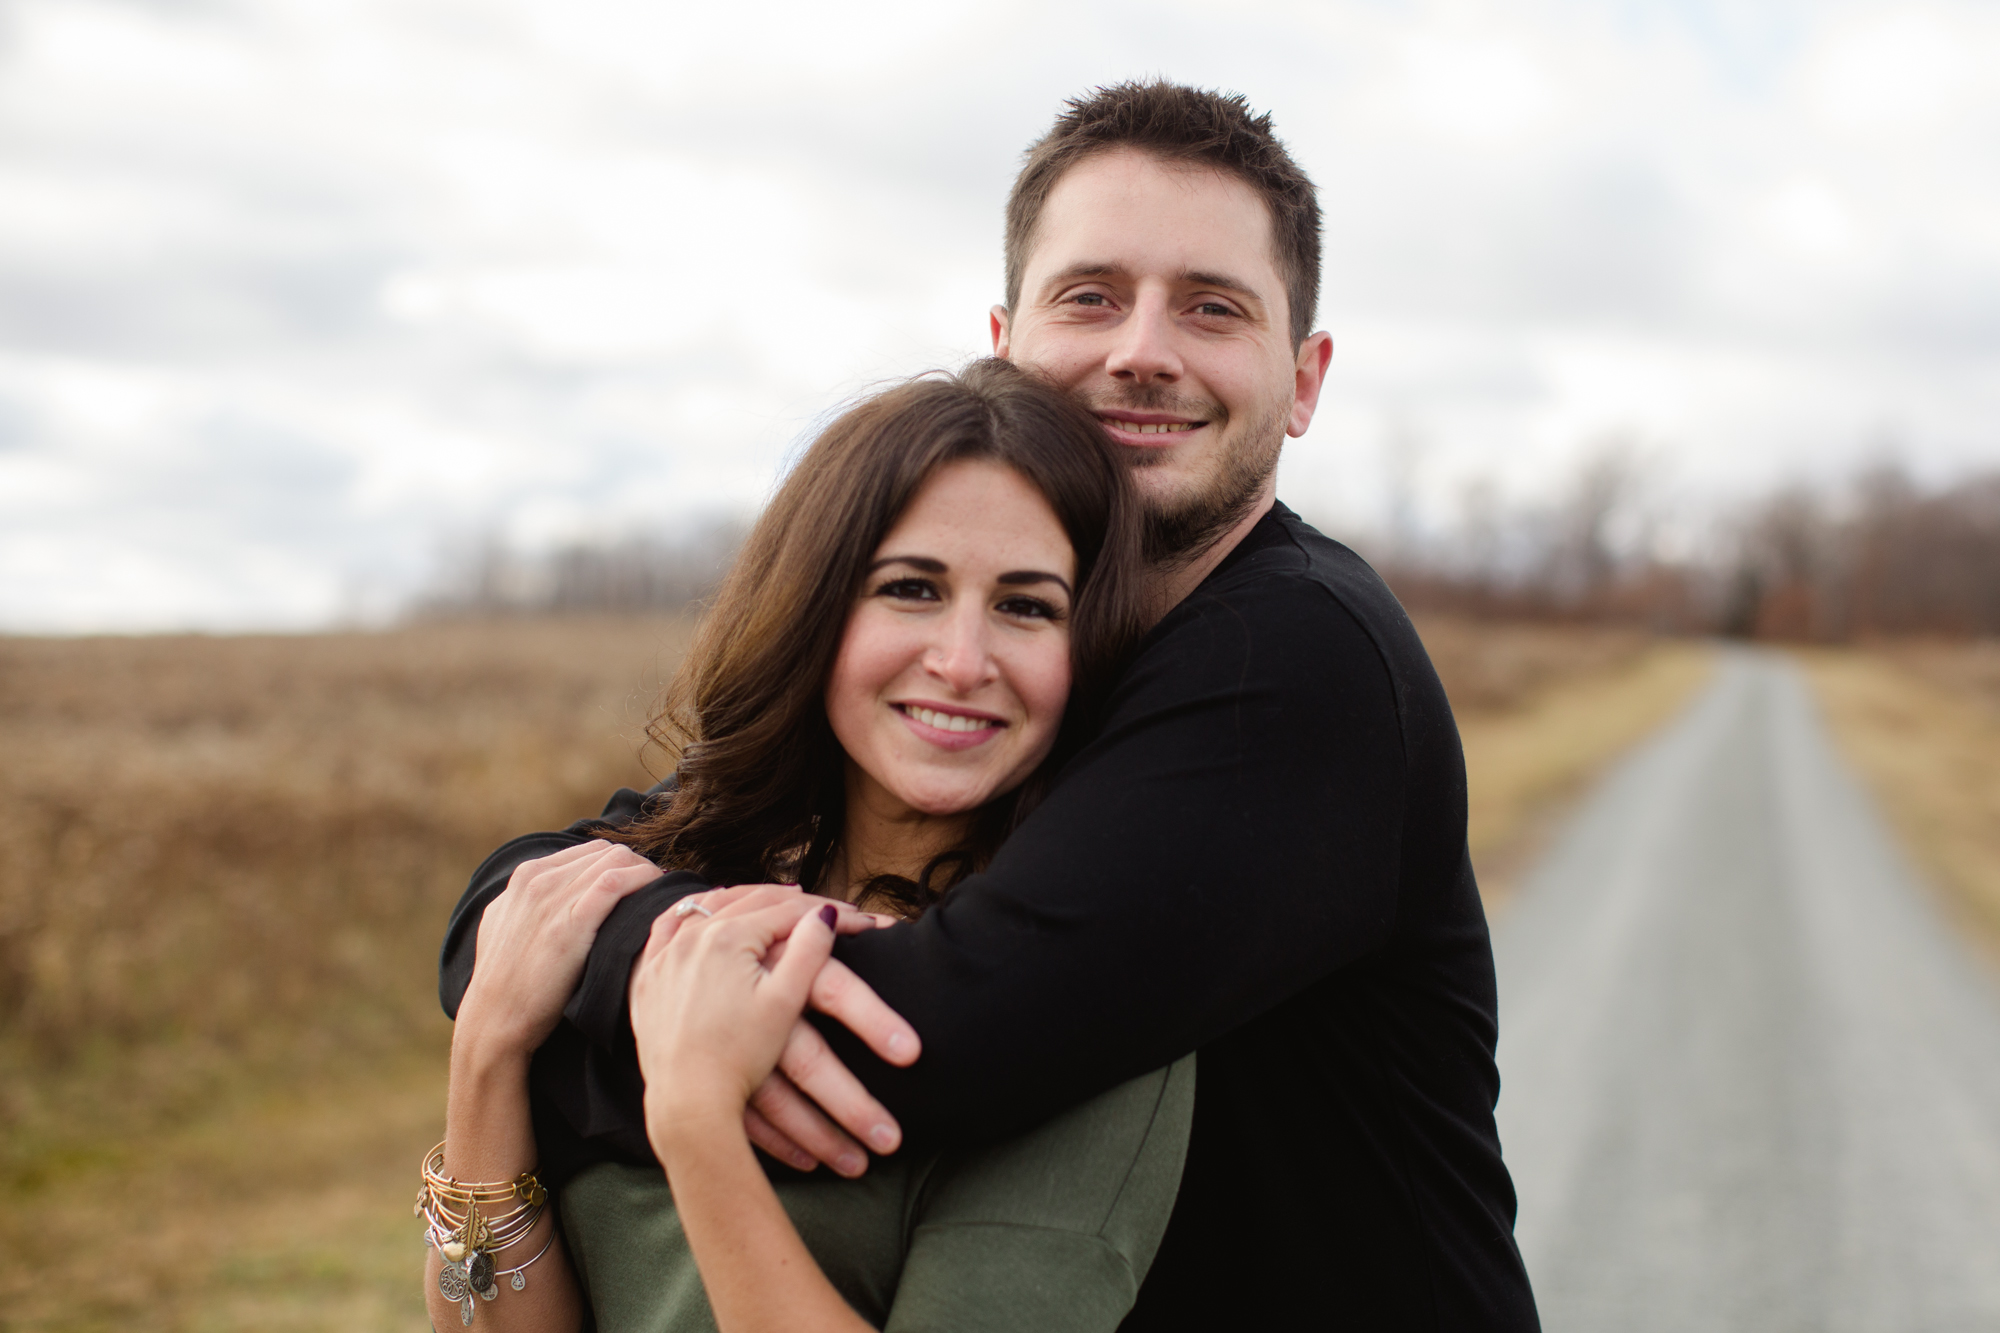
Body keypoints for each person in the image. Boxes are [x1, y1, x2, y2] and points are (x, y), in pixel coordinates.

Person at [443, 81, 1540, 1328]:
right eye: (1090, 295)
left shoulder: (1292, 658)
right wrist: (533, 948)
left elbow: (926, 1044)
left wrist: (577, 1013)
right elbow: (557, 879)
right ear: (1002, 344)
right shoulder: (1022, 670)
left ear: (1301, 381)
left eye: (1211, 307)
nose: (1141, 348)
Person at [425, 360, 1193, 1332]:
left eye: (1026, 605)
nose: (961, 661)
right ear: (816, 611)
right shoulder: (670, 884)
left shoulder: (1096, 1003)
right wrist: (488, 1051)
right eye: (911, 588)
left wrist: (698, 1123)